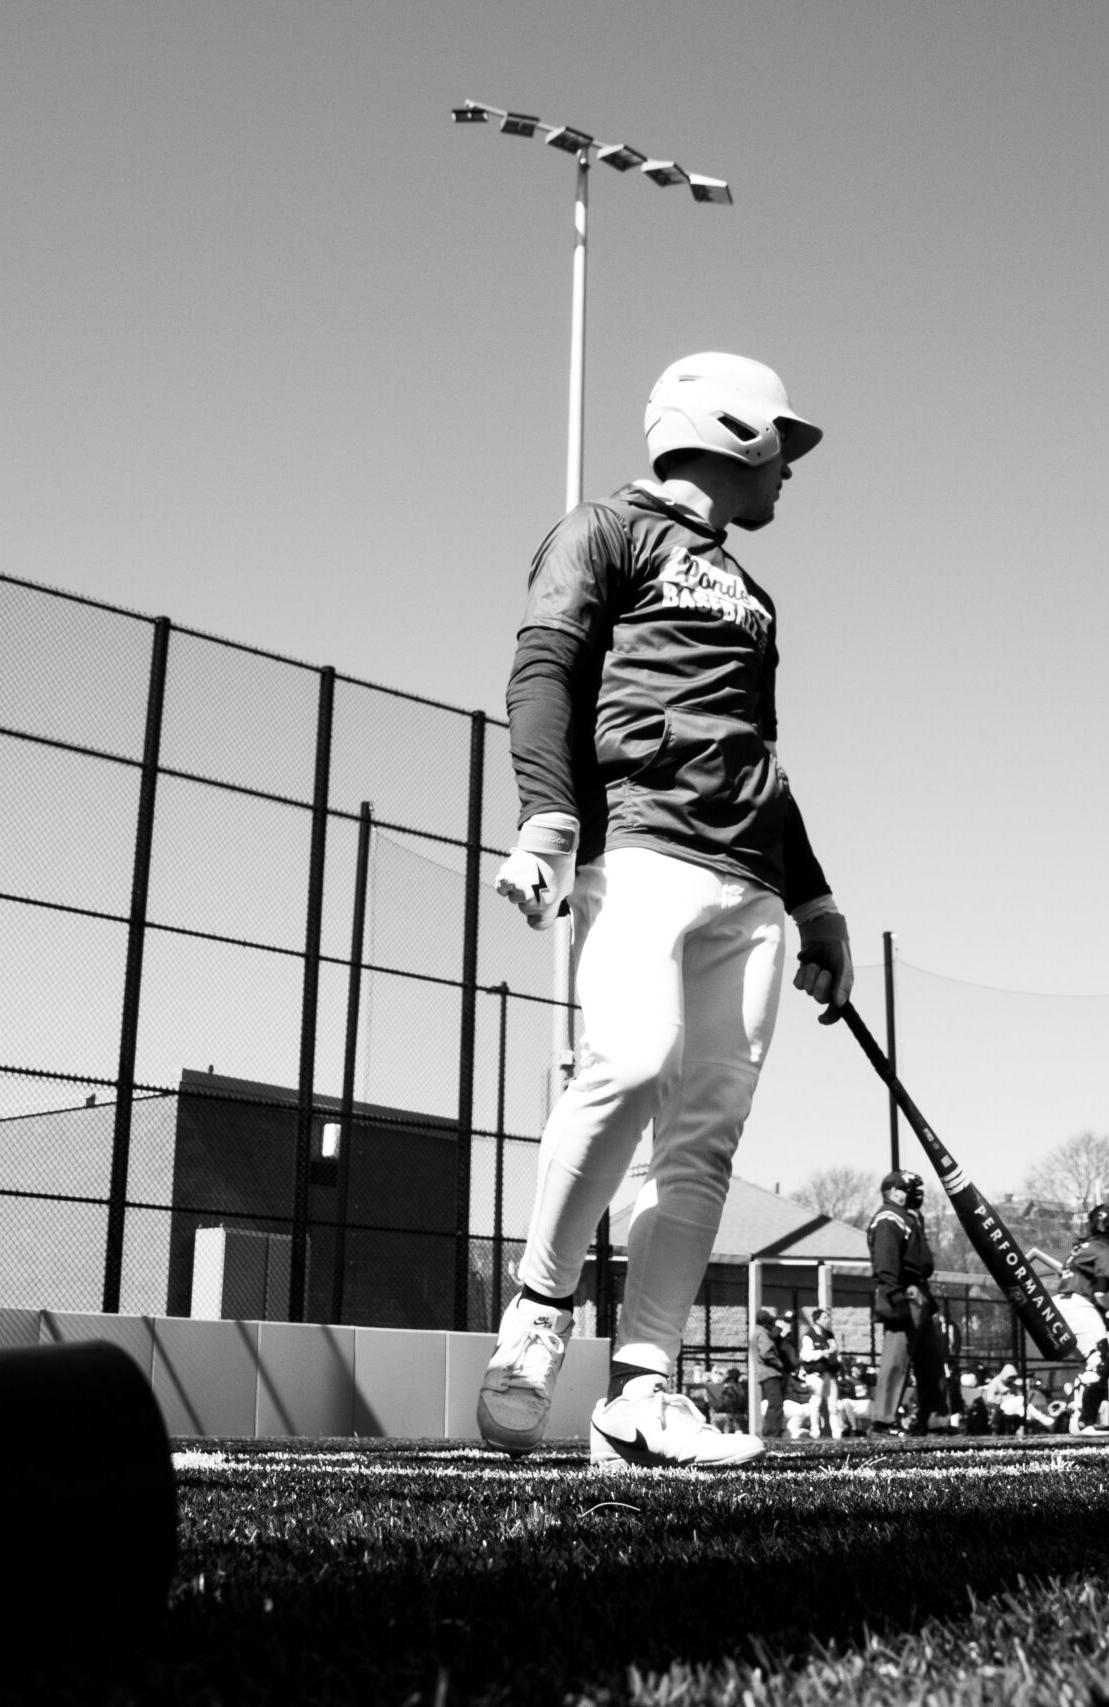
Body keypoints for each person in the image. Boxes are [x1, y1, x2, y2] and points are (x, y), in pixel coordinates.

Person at [474, 354, 852, 1470]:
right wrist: (547, 817)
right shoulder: (600, 530)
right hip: (639, 854)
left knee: (703, 1147)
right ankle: (538, 1311)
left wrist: (818, 900)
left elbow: (761, 763)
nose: (789, 466)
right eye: (781, 441)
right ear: (727, 430)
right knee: (627, 1064)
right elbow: (542, 670)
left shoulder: (756, 593)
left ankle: (640, 1394)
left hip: (751, 886)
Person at [867, 1169, 947, 1436]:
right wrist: (896, 1298)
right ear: (894, 1192)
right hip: (905, 1294)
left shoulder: (909, 1218)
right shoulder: (888, 1218)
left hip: (921, 1295)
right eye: (909, 1188)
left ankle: (934, 1419)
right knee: (896, 1360)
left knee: (932, 1360)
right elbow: (886, 1263)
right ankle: (883, 1420)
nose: (915, 1194)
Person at [1054, 1204, 1109, 1433]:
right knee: (1102, 1359)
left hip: (1059, 1303)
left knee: (1090, 1364)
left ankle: (1078, 1411)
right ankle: (1082, 1420)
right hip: (1078, 1304)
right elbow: (1101, 1292)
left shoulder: (1081, 1248)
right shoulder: (1104, 1250)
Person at [751, 1306, 797, 1439]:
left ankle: (772, 1432)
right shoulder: (762, 1333)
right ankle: (771, 1434)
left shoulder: (757, 1332)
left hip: (767, 1373)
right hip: (770, 1373)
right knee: (775, 1404)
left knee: (775, 1404)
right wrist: (780, 1364)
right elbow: (766, 1353)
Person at [799, 1305, 843, 1439]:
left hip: (829, 1373)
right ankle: (815, 1431)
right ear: (817, 1320)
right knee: (816, 1403)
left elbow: (835, 1352)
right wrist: (821, 1353)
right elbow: (805, 1355)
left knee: (833, 1404)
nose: (828, 1320)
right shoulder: (809, 1336)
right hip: (815, 1374)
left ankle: (837, 1433)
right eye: (825, 1317)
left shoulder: (829, 1335)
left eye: (828, 1317)